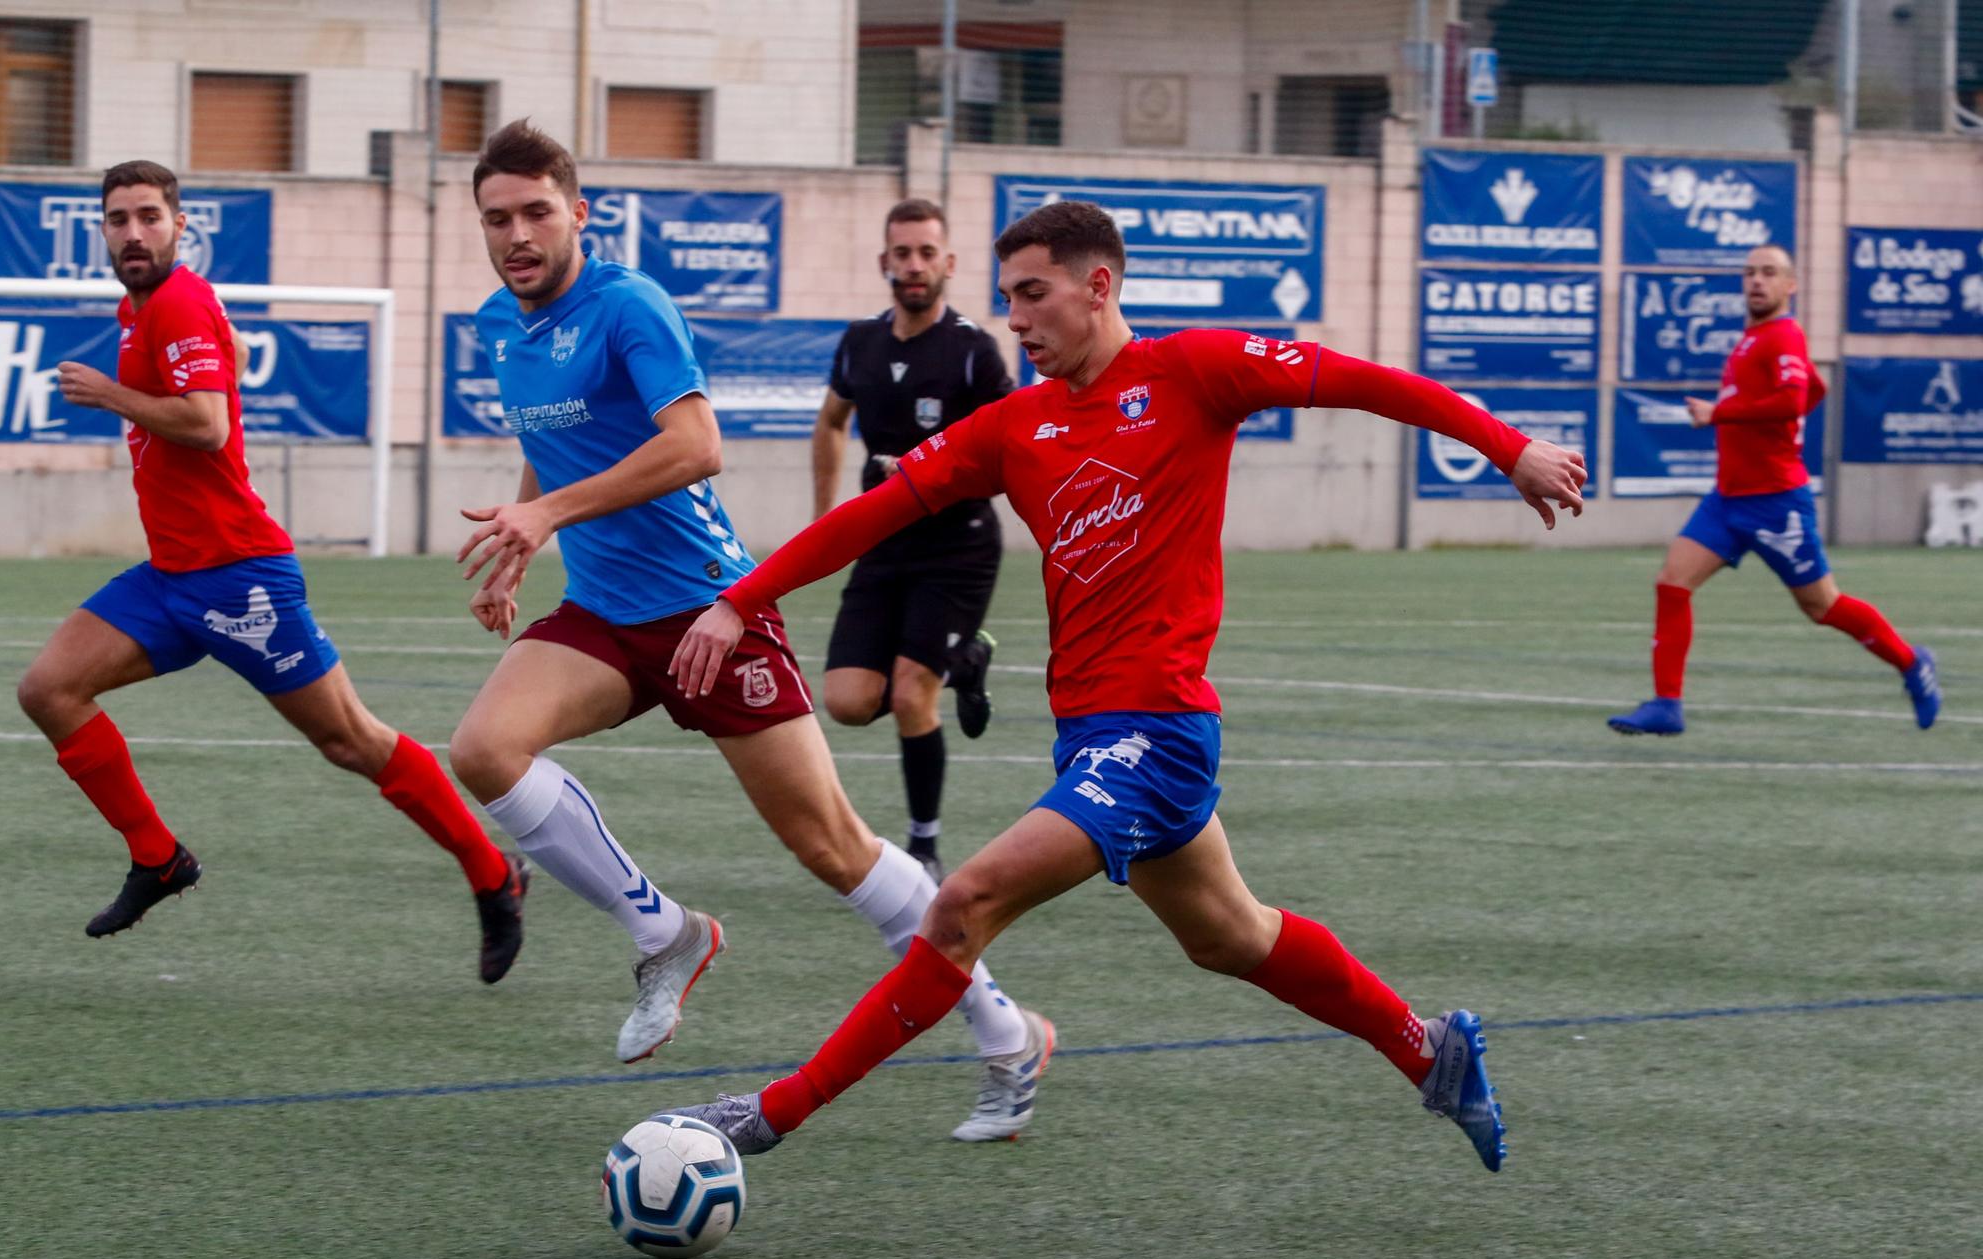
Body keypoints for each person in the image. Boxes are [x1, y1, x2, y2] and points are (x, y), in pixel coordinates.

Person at [660, 201, 1589, 1172]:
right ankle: (1426, 1048)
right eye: (1005, 298)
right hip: (1092, 733)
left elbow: (1360, 381)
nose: (1014, 319)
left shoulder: (1193, 371)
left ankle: (771, 1112)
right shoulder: (1014, 426)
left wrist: (1503, 444)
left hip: (1157, 733)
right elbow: (871, 515)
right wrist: (740, 598)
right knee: (1230, 935)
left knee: (961, 903)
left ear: (1096, 285)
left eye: (1032, 293)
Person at [447, 121, 1048, 1142]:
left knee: (834, 846)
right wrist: (524, 539)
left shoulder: (628, 304)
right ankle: (662, 929)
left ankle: (1004, 1030)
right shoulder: (500, 323)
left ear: (577, 213)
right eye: (497, 217)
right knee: (484, 748)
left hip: (709, 611)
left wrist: (546, 513)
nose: (517, 234)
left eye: (536, 212)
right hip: (600, 612)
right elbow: (549, 444)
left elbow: (694, 444)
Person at [16, 159, 527, 980]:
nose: (134, 232)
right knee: (48, 689)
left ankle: (494, 874)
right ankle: (158, 858)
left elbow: (209, 425)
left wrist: (112, 395)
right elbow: (229, 355)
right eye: (119, 220)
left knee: (351, 739)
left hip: (240, 576)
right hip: (171, 576)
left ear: (181, 226)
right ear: (102, 231)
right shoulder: (149, 304)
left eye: (150, 216)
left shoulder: (177, 300)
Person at [1608, 245, 1941, 736]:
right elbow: (1809, 390)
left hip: (1775, 502)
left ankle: (1912, 663)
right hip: (1728, 498)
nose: (1757, 281)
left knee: (1821, 605)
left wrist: (1718, 412)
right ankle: (1666, 704)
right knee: (1672, 582)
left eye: (1769, 273)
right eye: (1749, 273)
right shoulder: (1754, 339)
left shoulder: (1783, 335)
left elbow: (1790, 400)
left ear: (1791, 285)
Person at [811, 198, 1011, 883]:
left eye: (927, 253)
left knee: (908, 696)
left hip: (957, 547)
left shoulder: (972, 352)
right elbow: (831, 422)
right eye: (903, 254)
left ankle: (923, 844)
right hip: (883, 540)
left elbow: (1008, 448)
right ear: (884, 263)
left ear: (949, 264)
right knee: (847, 701)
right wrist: (825, 518)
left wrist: (932, 470)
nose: (915, 266)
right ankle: (966, 664)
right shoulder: (859, 342)